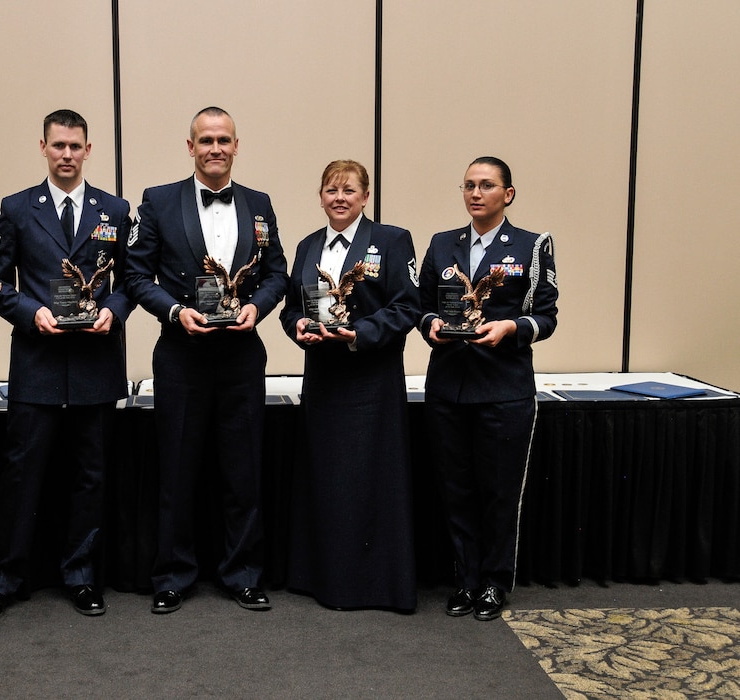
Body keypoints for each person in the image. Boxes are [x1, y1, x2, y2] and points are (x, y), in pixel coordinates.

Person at [124, 106, 288, 614]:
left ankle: (243, 574)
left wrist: (257, 308)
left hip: (240, 358)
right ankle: (173, 575)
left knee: (243, 472)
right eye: (205, 140)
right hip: (181, 356)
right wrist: (174, 312)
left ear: (236, 146)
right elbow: (135, 276)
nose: (215, 148)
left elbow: (277, 273)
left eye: (224, 140)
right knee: (177, 469)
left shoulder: (259, 203)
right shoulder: (158, 201)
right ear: (190, 146)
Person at [0, 109, 133, 623]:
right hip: (38, 364)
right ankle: (2, 580)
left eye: (75, 146)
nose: (67, 155)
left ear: (89, 150)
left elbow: (133, 279)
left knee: (90, 475)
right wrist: (30, 312)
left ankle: (81, 576)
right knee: (22, 475)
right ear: (42, 147)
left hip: (95, 363)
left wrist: (112, 309)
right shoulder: (17, 208)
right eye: (58, 146)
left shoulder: (116, 209)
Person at [417, 156, 558, 621]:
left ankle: (496, 583)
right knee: (456, 491)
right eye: (469, 186)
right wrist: (432, 323)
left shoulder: (533, 246)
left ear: (508, 194)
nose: (476, 193)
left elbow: (546, 317)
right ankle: (466, 580)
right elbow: (420, 307)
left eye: (487, 186)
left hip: (503, 389)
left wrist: (512, 328)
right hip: (449, 389)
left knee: (498, 492)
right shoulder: (441, 244)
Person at [279, 159, 420, 610]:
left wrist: (362, 334)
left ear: (365, 197)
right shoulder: (306, 246)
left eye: (348, 190)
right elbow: (289, 308)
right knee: (327, 481)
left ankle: (374, 585)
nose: (338, 198)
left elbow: (407, 307)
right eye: (330, 190)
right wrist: (298, 323)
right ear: (320, 196)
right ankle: (323, 579)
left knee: (370, 481)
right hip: (323, 381)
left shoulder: (392, 241)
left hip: (371, 381)